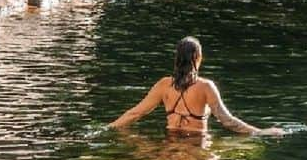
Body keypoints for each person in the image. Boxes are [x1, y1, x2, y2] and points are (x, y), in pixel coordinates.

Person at [109, 36, 283, 136]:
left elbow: (135, 113)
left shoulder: (164, 85)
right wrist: (262, 132)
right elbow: (228, 122)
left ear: (176, 58)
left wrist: (108, 128)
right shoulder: (206, 86)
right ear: (199, 58)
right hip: (197, 145)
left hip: (170, 144)